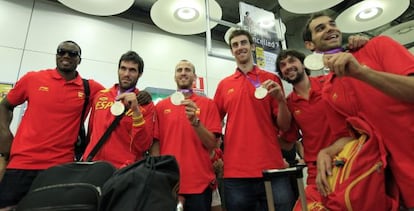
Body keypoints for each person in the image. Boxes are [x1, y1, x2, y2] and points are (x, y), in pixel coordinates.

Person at [302, 13, 414, 210]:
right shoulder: (328, 89)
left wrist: (362, 72)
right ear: (310, 45)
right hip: (385, 186)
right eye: (320, 28)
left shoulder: (378, 46)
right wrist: (325, 152)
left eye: (332, 24)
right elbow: (348, 137)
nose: (330, 29)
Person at [0, 40, 105, 209]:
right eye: (61, 51)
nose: (66, 56)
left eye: (72, 54)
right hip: (22, 162)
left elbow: (115, 97)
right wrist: (5, 135)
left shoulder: (89, 88)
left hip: (60, 167)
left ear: (79, 60)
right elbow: (5, 106)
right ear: (56, 55)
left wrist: (141, 97)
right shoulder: (32, 79)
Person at [213, 29, 295, 211]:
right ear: (231, 51)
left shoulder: (271, 79)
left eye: (243, 43)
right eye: (235, 45)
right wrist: (215, 154)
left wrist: (281, 100)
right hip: (236, 172)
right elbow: (213, 124)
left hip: (272, 167)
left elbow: (284, 125)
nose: (240, 47)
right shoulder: (224, 85)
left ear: (252, 46)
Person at [275, 48, 362, 210]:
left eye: (292, 61)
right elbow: (288, 141)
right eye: (283, 65)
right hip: (317, 170)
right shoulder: (288, 104)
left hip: (350, 158)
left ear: (303, 63)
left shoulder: (329, 83)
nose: (287, 66)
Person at [151, 60, 222, 211]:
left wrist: (195, 122)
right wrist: (157, 177)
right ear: (175, 76)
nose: (183, 72)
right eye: (179, 70)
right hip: (169, 183)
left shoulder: (208, 104)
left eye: (188, 70)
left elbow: (212, 144)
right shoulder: (161, 107)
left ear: (194, 77)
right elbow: (156, 144)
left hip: (200, 184)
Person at [82, 51, 154, 169]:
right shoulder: (101, 96)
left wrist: (136, 110)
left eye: (132, 70)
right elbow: (91, 131)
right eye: (123, 68)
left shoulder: (145, 104)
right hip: (92, 165)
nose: (126, 74)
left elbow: (143, 145)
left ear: (140, 74)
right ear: (118, 70)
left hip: (122, 170)